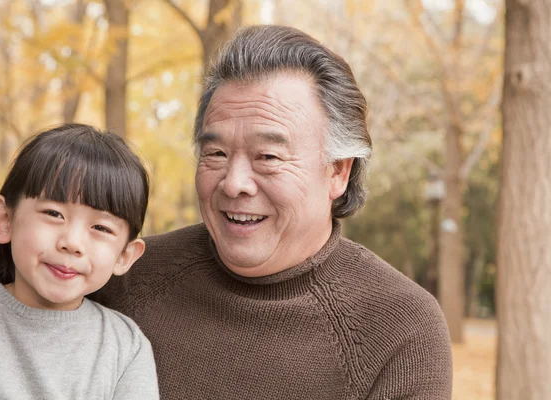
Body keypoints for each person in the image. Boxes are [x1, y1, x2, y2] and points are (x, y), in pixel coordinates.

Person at [96, 25, 453, 399]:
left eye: (267, 156)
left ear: (337, 171)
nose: (233, 183)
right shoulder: (121, 276)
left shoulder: (399, 329)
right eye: (215, 154)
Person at [0, 124, 159, 399]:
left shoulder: (125, 348)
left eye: (101, 228)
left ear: (124, 256)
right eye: (53, 213)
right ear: (4, 219)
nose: (71, 243)